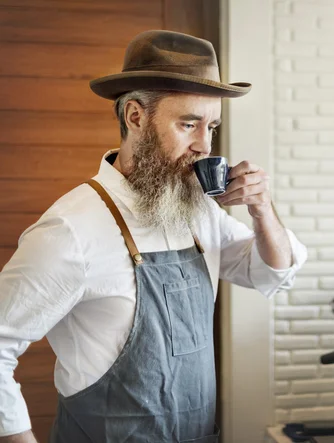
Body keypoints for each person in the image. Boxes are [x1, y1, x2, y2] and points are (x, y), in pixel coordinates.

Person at [0, 30, 307, 443]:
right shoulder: (71, 229)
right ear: (135, 116)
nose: (205, 145)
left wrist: (262, 209)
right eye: (188, 124)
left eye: (211, 126)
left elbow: (273, 272)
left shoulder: (198, 211)